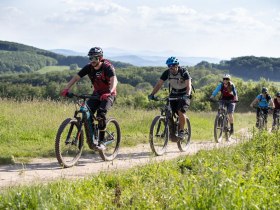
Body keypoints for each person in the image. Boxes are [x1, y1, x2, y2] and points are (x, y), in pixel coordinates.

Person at [61, 47, 118, 150]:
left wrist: (109, 92)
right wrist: (66, 89)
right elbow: (76, 78)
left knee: (101, 114)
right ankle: (92, 138)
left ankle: (101, 142)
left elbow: (114, 81)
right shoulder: (89, 67)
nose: (92, 61)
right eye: (90, 58)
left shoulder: (107, 67)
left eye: (94, 58)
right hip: (96, 94)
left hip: (109, 94)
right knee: (87, 112)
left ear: (100, 58)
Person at [148, 56, 192, 138]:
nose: (170, 67)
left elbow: (188, 85)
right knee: (169, 111)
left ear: (177, 65)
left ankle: (182, 131)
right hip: (174, 93)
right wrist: (152, 94)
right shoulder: (167, 73)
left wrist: (187, 94)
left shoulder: (183, 72)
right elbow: (159, 84)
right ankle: (171, 131)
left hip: (184, 94)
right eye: (169, 66)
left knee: (180, 111)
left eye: (172, 65)